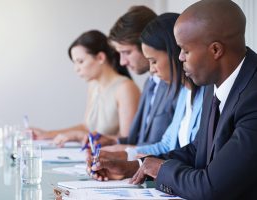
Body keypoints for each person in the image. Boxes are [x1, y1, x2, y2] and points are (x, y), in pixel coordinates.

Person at [90, 1, 257, 199]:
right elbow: (198, 151)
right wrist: (137, 166)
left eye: (185, 50)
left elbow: (211, 188)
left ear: (215, 50)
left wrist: (161, 169)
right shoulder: (216, 84)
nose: (179, 58)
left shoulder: (252, 97)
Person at [94, 13, 205, 161]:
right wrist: (124, 154)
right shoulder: (184, 91)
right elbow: (165, 145)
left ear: (174, 52)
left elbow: (191, 156)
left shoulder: (205, 94)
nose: (152, 70)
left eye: (153, 61)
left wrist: (134, 162)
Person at [83, 6, 177, 151]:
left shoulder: (176, 85)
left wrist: (126, 151)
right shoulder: (150, 83)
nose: (122, 62)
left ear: (147, 44)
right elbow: (138, 140)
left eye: (126, 52)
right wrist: (114, 141)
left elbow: (170, 147)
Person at [32, 30, 140, 146]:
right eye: (75, 63)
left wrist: (79, 136)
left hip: (113, 160)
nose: (76, 69)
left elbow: (127, 140)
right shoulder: (93, 85)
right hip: (94, 157)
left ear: (100, 57)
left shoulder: (125, 88)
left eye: (80, 61)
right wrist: (47, 134)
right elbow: (86, 127)